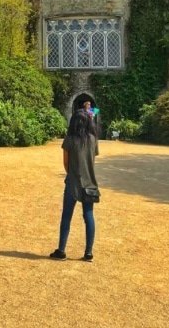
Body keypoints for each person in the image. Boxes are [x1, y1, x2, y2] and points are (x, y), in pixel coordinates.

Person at [50, 101, 100, 262]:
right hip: (89, 182)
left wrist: (72, 174)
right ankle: (88, 253)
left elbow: (66, 162)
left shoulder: (70, 139)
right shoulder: (93, 139)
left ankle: (61, 250)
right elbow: (92, 159)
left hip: (73, 181)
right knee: (89, 216)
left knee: (67, 216)